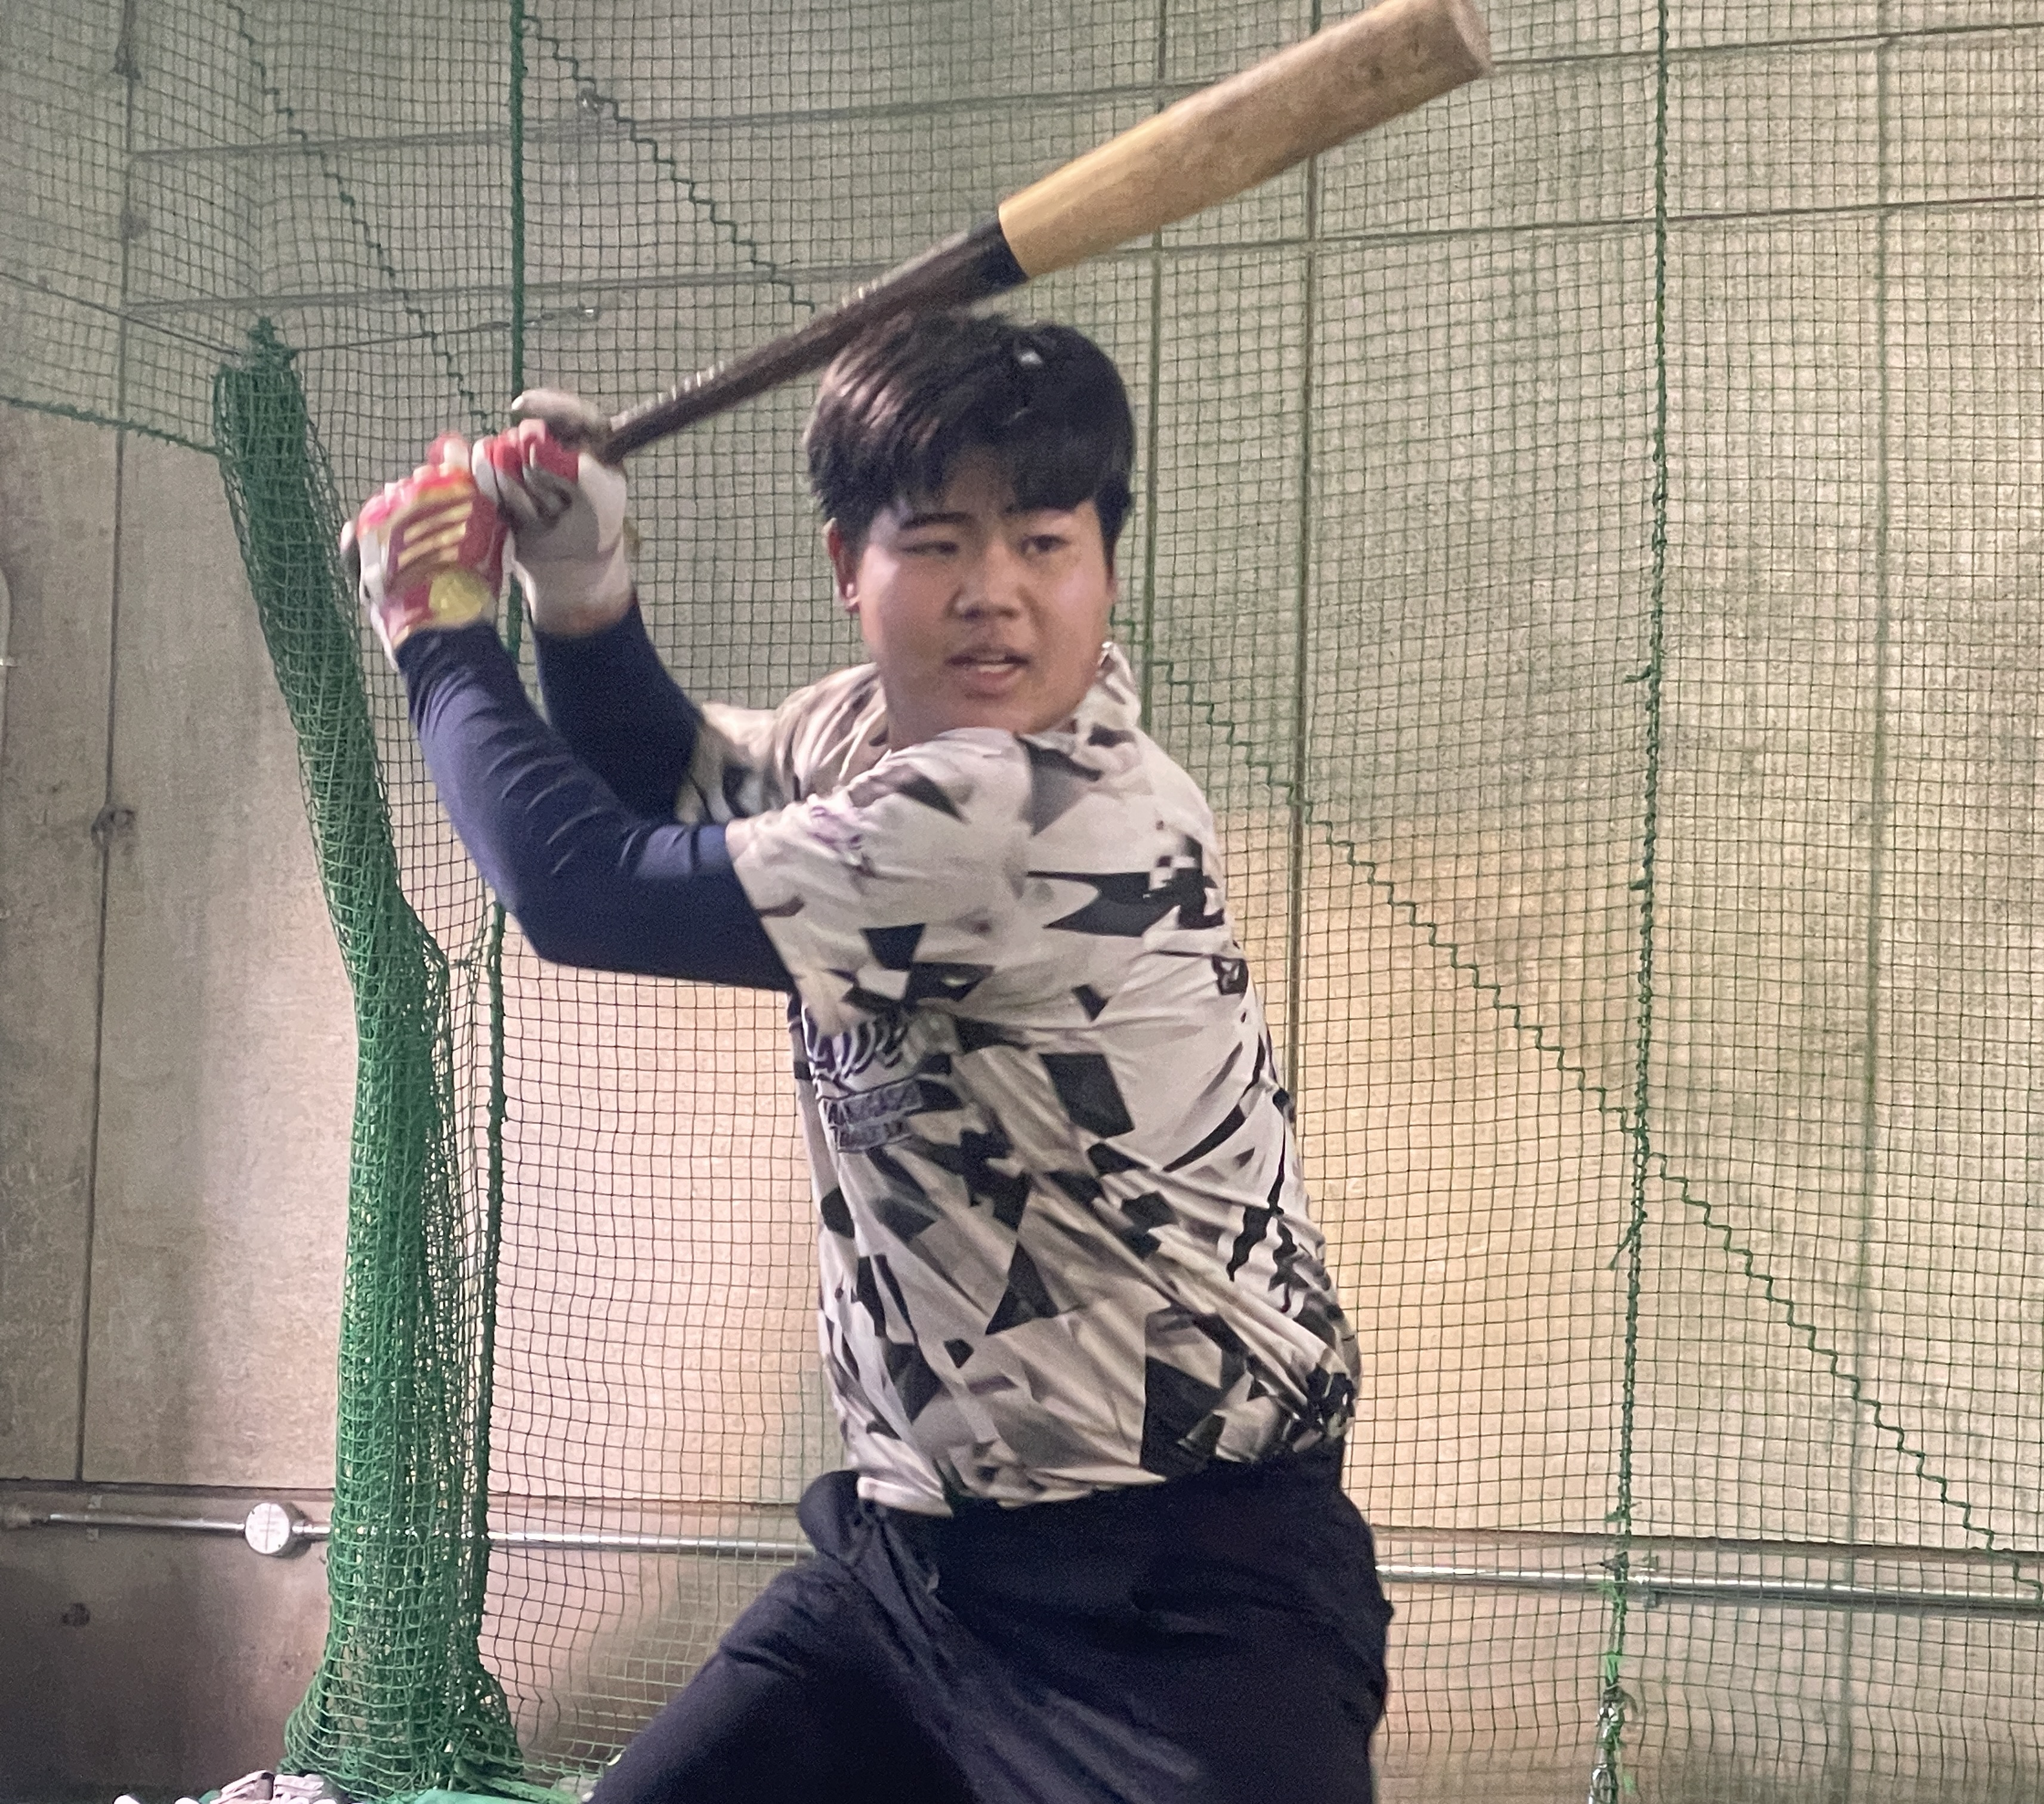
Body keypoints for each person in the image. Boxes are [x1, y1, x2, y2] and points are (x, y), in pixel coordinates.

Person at [344, 310, 1390, 1803]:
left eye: (1045, 545)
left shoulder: (1042, 811)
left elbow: (582, 888)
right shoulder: (877, 743)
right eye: (939, 544)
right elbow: (677, 786)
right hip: (912, 1574)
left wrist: (439, 628)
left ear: (1108, 568)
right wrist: (580, 593)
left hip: (1182, 1598)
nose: (996, 598)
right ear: (850, 567)